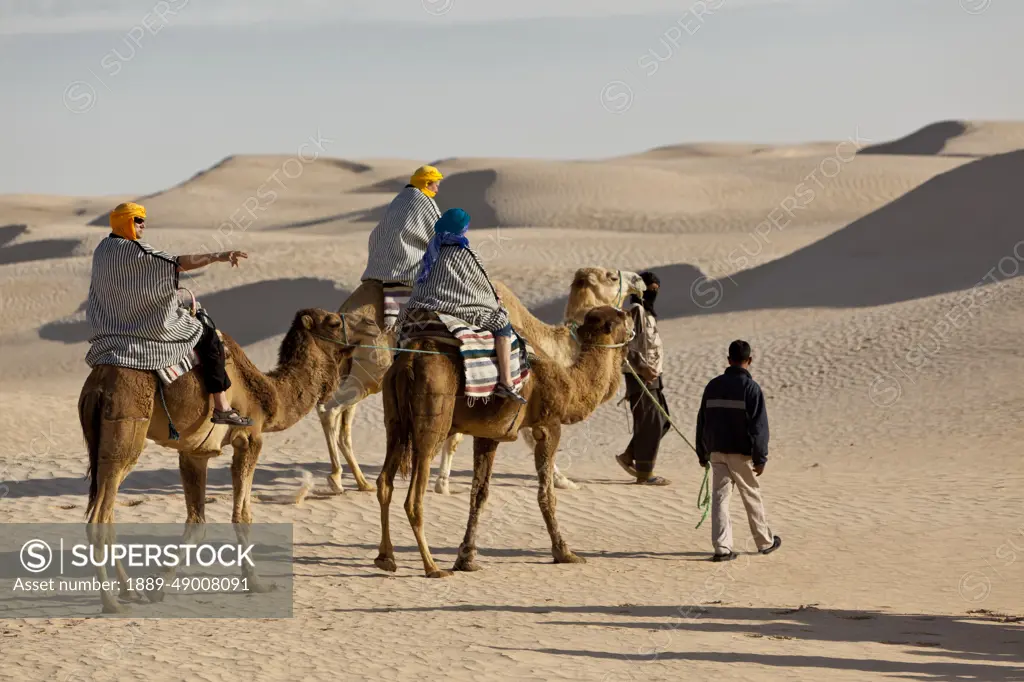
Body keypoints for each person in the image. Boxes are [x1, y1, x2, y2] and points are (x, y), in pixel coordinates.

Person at [85, 202, 253, 426]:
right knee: (209, 336)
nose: (143, 224)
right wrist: (217, 256)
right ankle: (222, 407)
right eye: (137, 219)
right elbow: (175, 264)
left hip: (109, 327)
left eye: (143, 219)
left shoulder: (103, 249)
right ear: (124, 222)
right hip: (144, 325)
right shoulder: (135, 250)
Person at [402, 207, 527, 404]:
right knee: (502, 324)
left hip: (421, 307)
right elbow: (479, 288)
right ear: (461, 229)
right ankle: (506, 382)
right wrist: (495, 300)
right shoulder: (465, 253)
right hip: (455, 308)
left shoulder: (432, 251)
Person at [694, 340, 782, 561]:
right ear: (749, 361)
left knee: (720, 499)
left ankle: (722, 548)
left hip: (716, 452)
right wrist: (760, 458)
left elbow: (702, 421)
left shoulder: (712, 385)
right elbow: (759, 428)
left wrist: (702, 452)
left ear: (728, 360)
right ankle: (764, 542)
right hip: (740, 455)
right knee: (751, 495)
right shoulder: (751, 389)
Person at [360, 165, 444, 330]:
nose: (437, 189)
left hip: (378, 267)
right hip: (406, 266)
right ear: (426, 183)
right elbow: (439, 235)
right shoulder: (425, 203)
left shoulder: (400, 199)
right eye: (435, 184)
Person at [615, 271, 672, 486]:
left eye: (656, 290)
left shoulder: (648, 314)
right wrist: (642, 369)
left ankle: (629, 456)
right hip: (640, 376)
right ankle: (644, 473)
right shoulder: (636, 312)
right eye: (650, 289)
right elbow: (625, 347)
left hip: (653, 377)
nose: (653, 293)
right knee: (651, 423)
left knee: (662, 420)